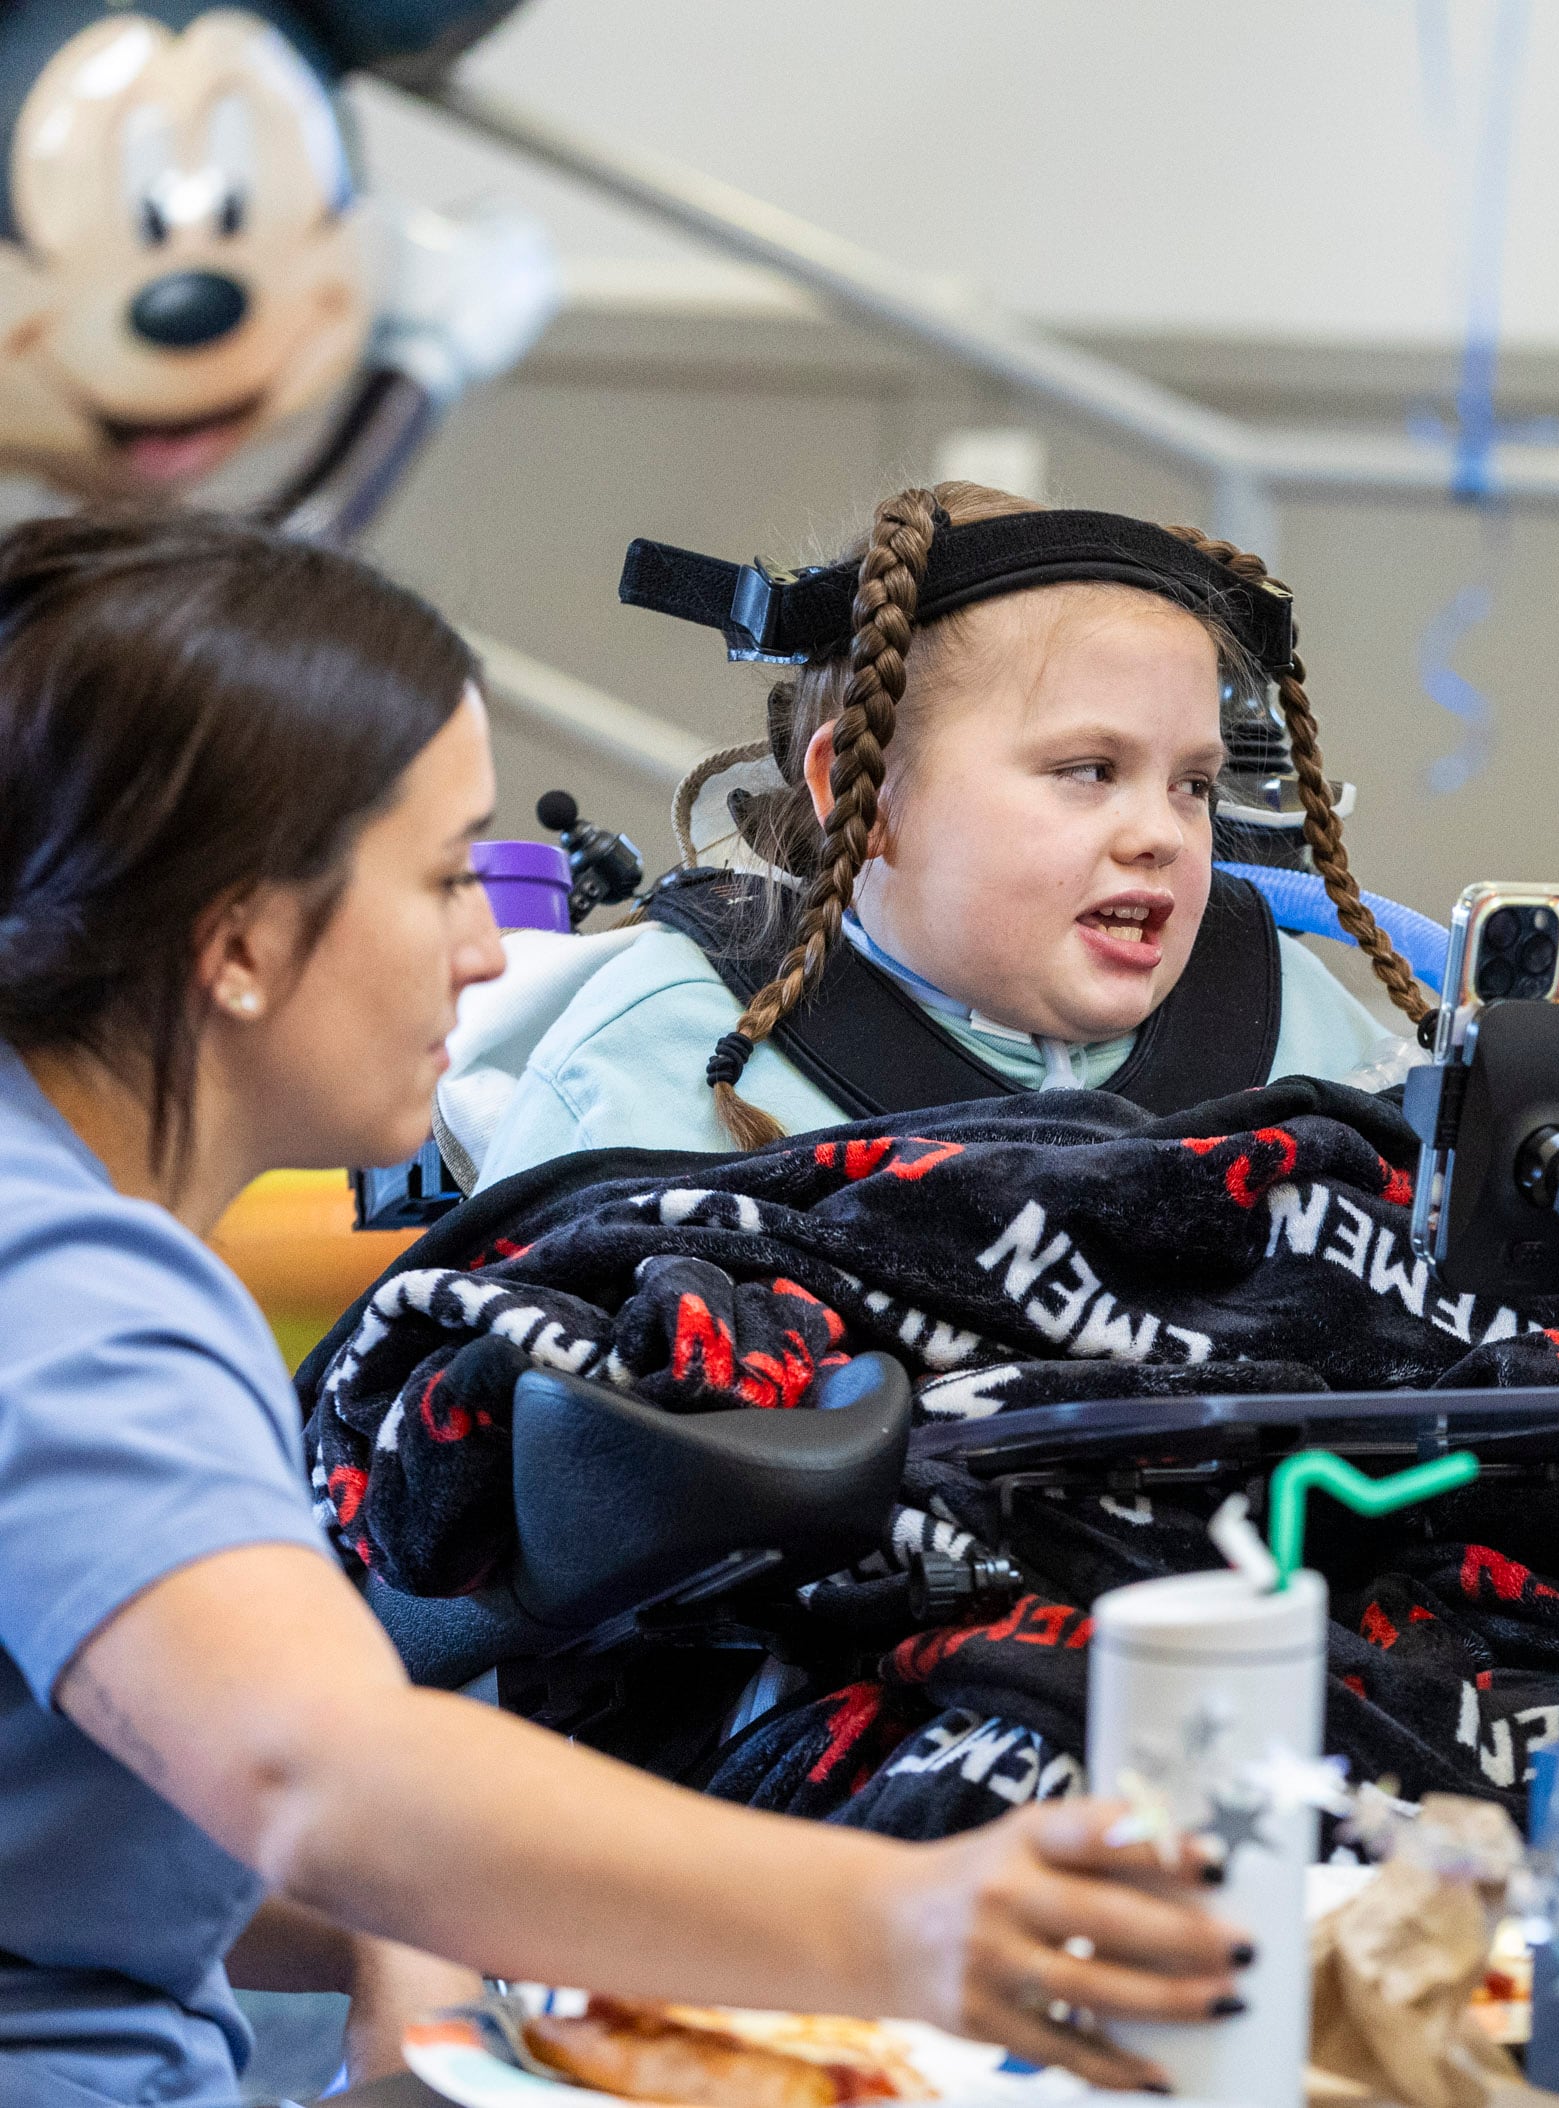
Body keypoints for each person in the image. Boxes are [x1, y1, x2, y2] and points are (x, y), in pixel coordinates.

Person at [0, 511, 1248, 2105]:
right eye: (447, 875)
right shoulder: (77, 1305)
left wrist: (417, 1945)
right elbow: (315, 1773)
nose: (483, 951)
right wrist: (914, 1920)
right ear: (239, 939)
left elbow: (123, 1834)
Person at [463, 480, 1431, 1186]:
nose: (1162, 834)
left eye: (1192, 783)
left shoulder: (1299, 1027)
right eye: (1088, 770)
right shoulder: (654, 1057)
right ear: (865, 789)